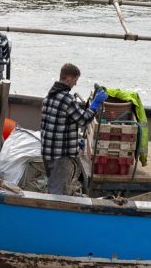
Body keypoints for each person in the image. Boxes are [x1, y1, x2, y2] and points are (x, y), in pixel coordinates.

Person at [41, 63, 108, 195]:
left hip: (47, 152)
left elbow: (56, 125)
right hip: (60, 156)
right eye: (75, 80)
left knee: (53, 184)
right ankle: (56, 213)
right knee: (58, 192)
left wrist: (75, 140)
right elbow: (84, 120)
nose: (75, 84)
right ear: (69, 79)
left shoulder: (49, 96)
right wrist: (95, 104)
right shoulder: (67, 99)